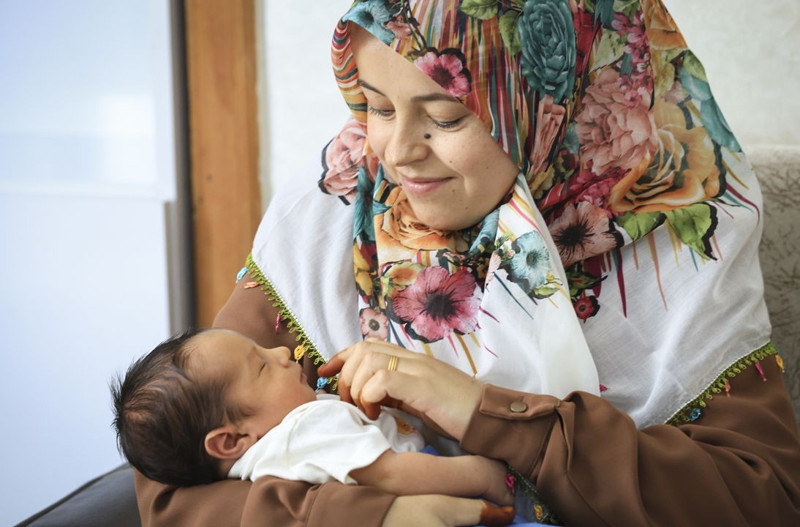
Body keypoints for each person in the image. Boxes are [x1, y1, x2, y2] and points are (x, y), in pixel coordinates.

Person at [134, 1, 800, 526]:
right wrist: (380, 512)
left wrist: (491, 413)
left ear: (557, 105)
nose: (393, 152)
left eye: (446, 116)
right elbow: (171, 474)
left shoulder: (677, 233)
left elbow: (758, 501)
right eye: (375, 104)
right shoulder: (338, 205)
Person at [112, 328, 514, 513]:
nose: (281, 353)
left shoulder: (269, 449)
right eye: (261, 367)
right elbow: (393, 474)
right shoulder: (302, 430)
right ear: (231, 441)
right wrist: (483, 474)